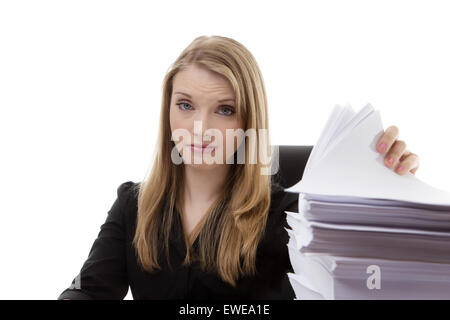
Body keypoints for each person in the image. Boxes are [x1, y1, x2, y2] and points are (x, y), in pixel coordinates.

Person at [58, 35, 420, 300]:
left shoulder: (290, 217)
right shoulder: (133, 206)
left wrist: (391, 191)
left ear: (249, 121)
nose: (201, 128)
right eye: (185, 105)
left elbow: (375, 278)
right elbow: (88, 291)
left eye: (225, 110)